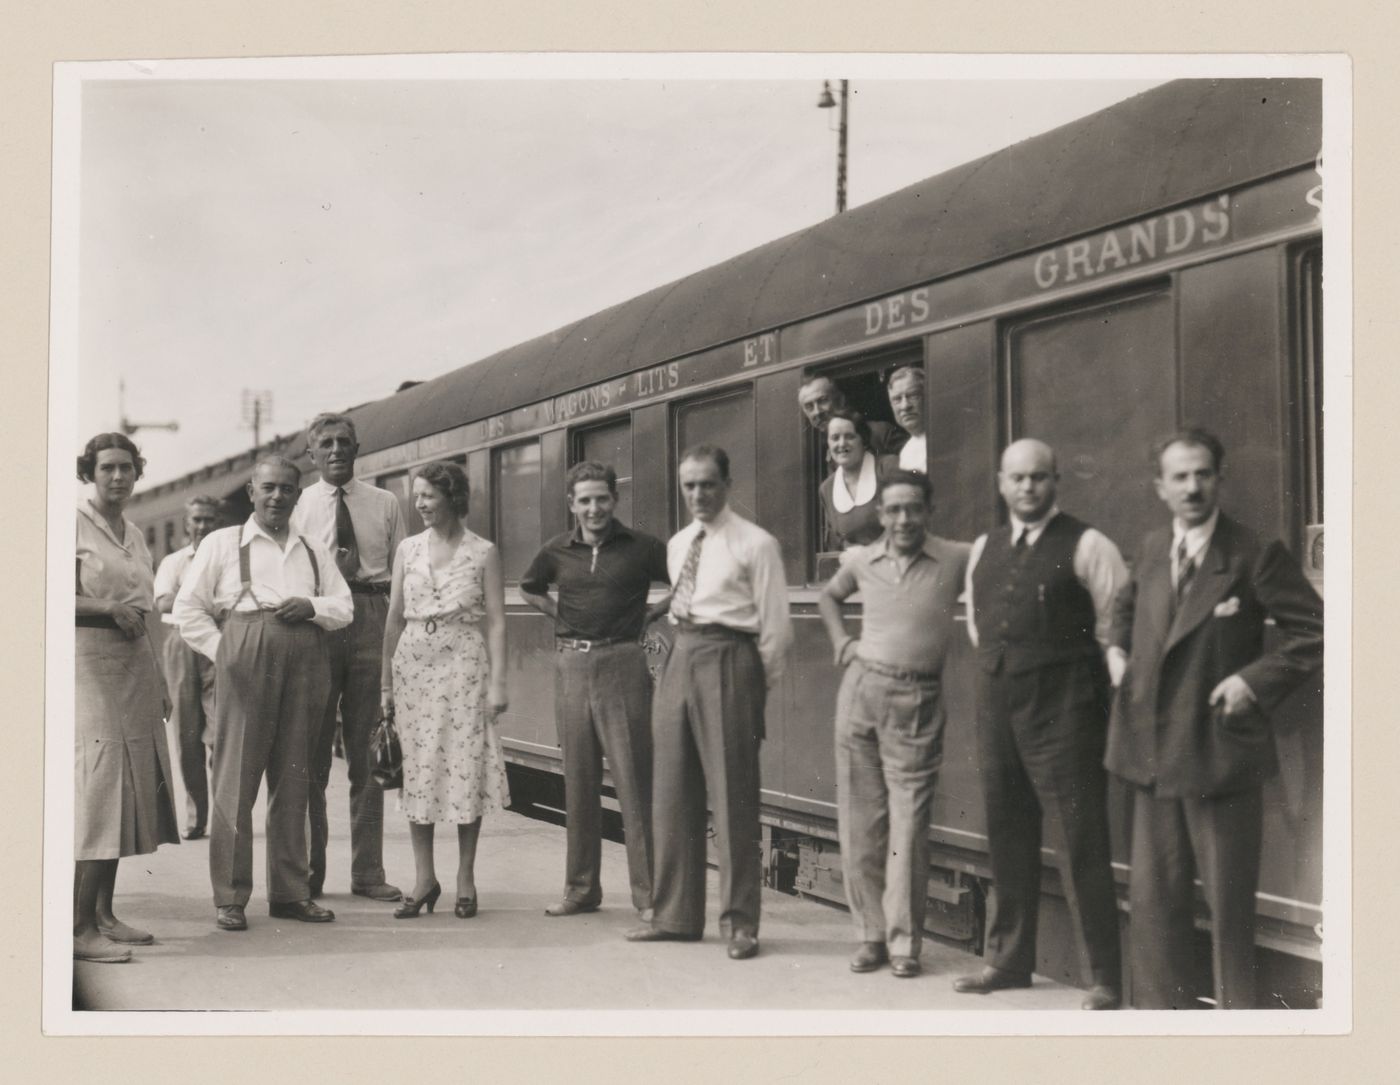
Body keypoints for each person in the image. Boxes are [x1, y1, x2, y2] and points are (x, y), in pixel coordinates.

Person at [1104, 429, 1323, 1009]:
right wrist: (1115, 654)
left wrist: (1252, 681)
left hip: (1218, 754)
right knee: (1153, 909)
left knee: (1229, 915)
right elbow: (1122, 611)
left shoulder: (1254, 552)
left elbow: (1315, 631)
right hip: (1151, 755)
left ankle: (1238, 1040)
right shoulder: (1152, 547)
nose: (1192, 486)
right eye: (1179, 476)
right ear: (1160, 487)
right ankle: (1160, 1034)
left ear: (1219, 479)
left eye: (1203, 474)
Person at [955, 438, 1127, 1010]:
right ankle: (1008, 961)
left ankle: (1103, 976)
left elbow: (1115, 629)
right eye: (1017, 478)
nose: (1027, 488)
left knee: (1082, 843)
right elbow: (980, 626)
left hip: (1065, 709)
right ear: (1002, 484)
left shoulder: (1089, 544)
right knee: (1006, 834)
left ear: (1056, 481)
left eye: (1039, 478)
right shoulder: (985, 546)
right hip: (997, 705)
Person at [626, 445, 792, 960]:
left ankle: (740, 924)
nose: (698, 494)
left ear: (727, 483)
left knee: (732, 796)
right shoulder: (679, 543)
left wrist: (751, 689)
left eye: (707, 484)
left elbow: (777, 633)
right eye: (689, 485)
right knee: (671, 790)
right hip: (682, 655)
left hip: (730, 659)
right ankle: (675, 916)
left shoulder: (756, 544)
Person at [174, 455, 352, 931]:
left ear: (298, 494)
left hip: (304, 660)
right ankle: (230, 897)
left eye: (287, 489)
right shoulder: (222, 542)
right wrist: (226, 653)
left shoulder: (312, 548)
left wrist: (311, 605)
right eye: (268, 488)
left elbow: (344, 607)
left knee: (295, 779)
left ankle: (290, 894)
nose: (277, 497)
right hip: (244, 657)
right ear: (251, 491)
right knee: (235, 781)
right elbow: (187, 609)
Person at [817, 470, 969, 978]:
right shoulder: (862, 560)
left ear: (929, 511)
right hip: (860, 691)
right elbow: (827, 597)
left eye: (913, 509)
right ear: (881, 514)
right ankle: (870, 937)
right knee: (861, 822)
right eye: (894, 509)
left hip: (917, 701)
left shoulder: (955, 557)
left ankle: (905, 945)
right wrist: (842, 643)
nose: (904, 519)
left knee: (909, 825)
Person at [520, 461, 670, 919]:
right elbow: (530, 588)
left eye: (601, 498)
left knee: (634, 782)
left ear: (614, 500)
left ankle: (650, 897)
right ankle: (581, 890)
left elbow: (686, 584)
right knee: (579, 780)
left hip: (623, 661)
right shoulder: (556, 550)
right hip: (572, 664)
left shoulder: (642, 547)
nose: (594, 508)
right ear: (572, 505)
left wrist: (650, 614)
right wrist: (559, 617)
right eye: (584, 500)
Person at [380, 462, 510, 920]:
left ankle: (465, 877)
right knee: (419, 770)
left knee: (463, 768)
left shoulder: (483, 552)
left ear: (453, 497)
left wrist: (498, 681)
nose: (419, 504)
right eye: (416, 496)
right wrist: (386, 683)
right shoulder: (407, 550)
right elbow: (394, 617)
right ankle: (423, 878)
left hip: (463, 663)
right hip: (413, 662)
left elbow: (495, 619)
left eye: (428, 496)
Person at [74, 433, 181, 963]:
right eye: (107, 468)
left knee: (128, 787)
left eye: (126, 468)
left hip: (136, 662)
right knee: (102, 787)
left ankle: (104, 915)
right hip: (91, 661)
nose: (118, 476)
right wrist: (100, 608)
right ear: (89, 473)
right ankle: (76, 929)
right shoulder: (71, 522)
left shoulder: (134, 533)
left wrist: (160, 673)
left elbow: (145, 608)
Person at [291, 412, 407, 903]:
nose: (336, 450)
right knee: (313, 757)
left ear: (357, 448)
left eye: (344, 442)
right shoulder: (296, 507)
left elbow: (405, 572)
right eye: (326, 445)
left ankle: (368, 873)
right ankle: (310, 875)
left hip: (372, 617)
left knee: (368, 751)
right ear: (312, 456)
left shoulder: (385, 503)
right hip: (319, 622)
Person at [153, 495, 222, 840]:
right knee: (186, 734)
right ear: (187, 523)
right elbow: (162, 600)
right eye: (197, 520)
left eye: (209, 519)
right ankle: (197, 818)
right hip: (181, 643)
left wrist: (188, 598)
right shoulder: (174, 561)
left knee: (222, 729)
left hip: (215, 643)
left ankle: (225, 812)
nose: (203, 526)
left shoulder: (225, 558)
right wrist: (198, 597)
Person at [818, 409, 900, 549]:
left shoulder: (888, 468)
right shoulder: (827, 488)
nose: (842, 444)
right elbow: (838, 541)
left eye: (850, 436)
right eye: (835, 438)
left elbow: (905, 523)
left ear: (863, 439)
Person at [798, 374, 906, 459]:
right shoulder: (824, 449)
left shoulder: (880, 432)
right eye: (809, 406)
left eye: (822, 401)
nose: (817, 412)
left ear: (840, 399)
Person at [886, 366, 928, 474]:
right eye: (897, 399)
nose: (905, 406)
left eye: (913, 396)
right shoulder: (906, 453)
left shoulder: (944, 440)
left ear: (928, 396)